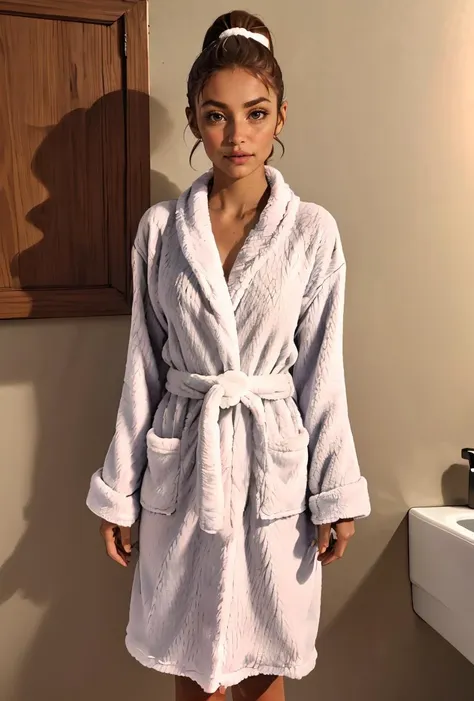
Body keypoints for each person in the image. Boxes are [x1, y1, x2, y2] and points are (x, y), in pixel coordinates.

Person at [86, 10, 371, 701]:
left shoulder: (310, 233)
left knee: (264, 664)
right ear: (193, 120)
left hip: (271, 469)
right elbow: (141, 370)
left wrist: (335, 492)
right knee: (194, 663)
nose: (236, 135)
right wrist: (118, 491)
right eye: (217, 116)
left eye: (255, 112)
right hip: (186, 467)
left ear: (280, 116)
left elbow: (321, 372)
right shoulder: (162, 232)